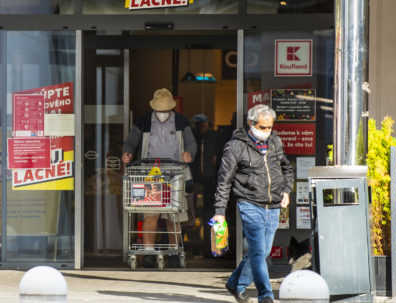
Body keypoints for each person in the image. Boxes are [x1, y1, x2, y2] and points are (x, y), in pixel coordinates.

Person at [212, 104, 293, 303]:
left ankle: (234, 284)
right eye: (262, 127)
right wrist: (219, 211)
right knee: (258, 251)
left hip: (273, 205)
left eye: (269, 127)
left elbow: (287, 169)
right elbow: (224, 180)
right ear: (251, 123)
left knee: (263, 251)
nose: (266, 131)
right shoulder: (236, 146)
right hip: (249, 203)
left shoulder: (275, 142)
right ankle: (265, 294)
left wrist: (286, 190)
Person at [122, 88, 197, 268]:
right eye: (159, 111)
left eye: (165, 111)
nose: (162, 114)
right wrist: (127, 152)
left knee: (174, 215)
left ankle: (174, 250)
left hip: (175, 173)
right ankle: (149, 251)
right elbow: (132, 140)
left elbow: (191, 142)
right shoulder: (144, 121)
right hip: (150, 174)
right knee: (151, 214)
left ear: (171, 108)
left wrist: (189, 153)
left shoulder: (181, 121)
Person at [190, 113, 219, 256]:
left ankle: (209, 247)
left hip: (210, 180)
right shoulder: (193, 137)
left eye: (204, 124)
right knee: (193, 213)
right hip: (195, 179)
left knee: (209, 212)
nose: (202, 126)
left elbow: (217, 157)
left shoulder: (213, 137)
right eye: (199, 124)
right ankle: (196, 244)